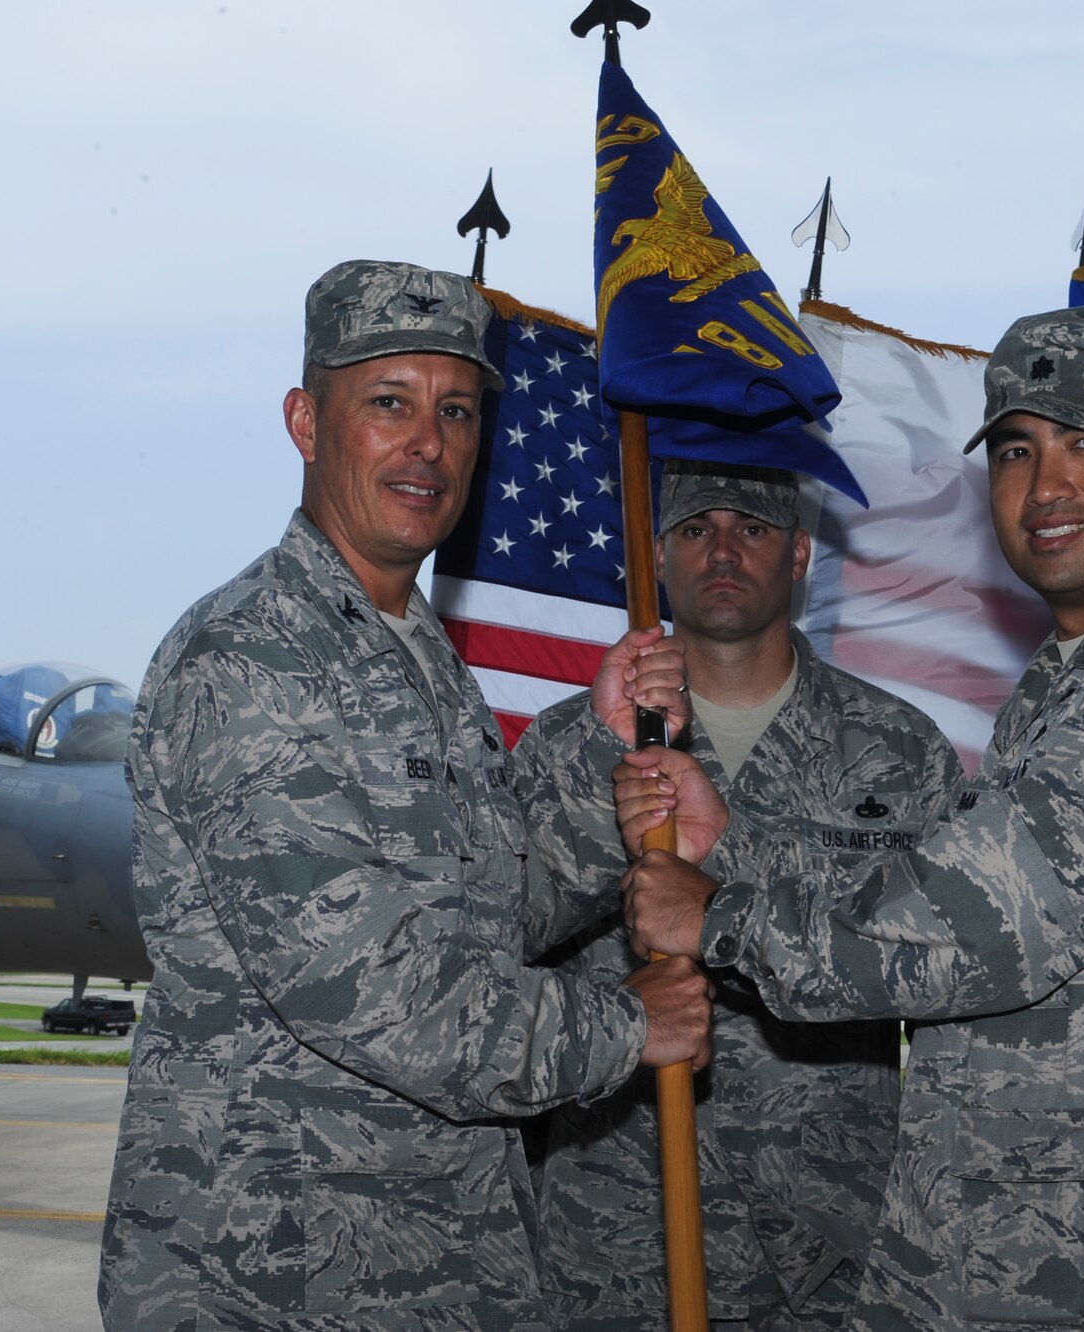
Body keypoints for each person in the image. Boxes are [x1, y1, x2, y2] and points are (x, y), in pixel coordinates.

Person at [616, 303, 1084, 1332]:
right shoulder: (1074, 680)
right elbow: (955, 884)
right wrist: (732, 844)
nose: (1044, 486)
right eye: (1015, 449)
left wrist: (714, 915)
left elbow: (977, 925)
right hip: (1009, 1255)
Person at [98, 259, 715, 1332]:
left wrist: (592, 752)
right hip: (273, 1268)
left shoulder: (415, 656)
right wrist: (624, 1025)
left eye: (456, 411)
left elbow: (493, 914)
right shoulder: (249, 661)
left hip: (428, 1257)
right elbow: (369, 989)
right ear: (304, 420)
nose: (427, 443)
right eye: (388, 403)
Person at [515, 461, 961, 1330]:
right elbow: (502, 936)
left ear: (798, 555)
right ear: (659, 559)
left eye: (751, 530)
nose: (722, 552)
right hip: (615, 1231)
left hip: (829, 1243)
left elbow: (943, 976)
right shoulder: (569, 747)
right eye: (694, 531)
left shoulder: (902, 754)